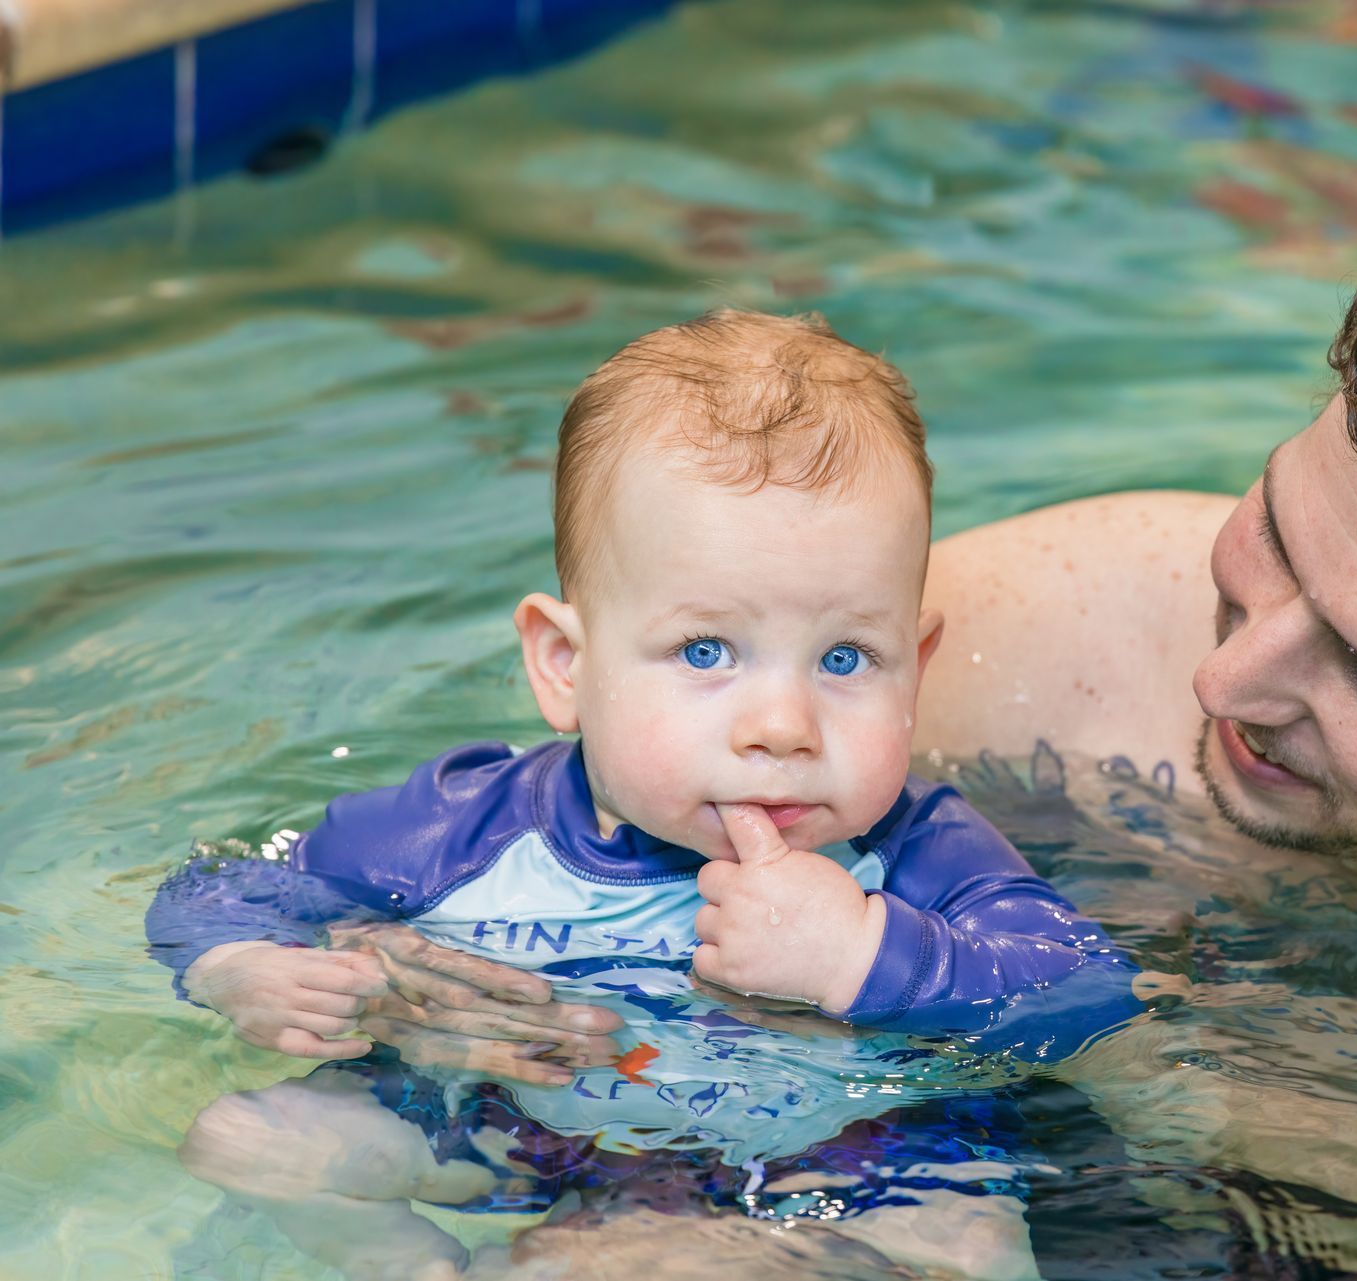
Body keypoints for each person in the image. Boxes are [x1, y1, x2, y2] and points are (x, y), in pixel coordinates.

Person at [310, 191, 1357, 1245]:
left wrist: (1134, 1053)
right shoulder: (1032, 627)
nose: (1227, 676)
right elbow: (580, 821)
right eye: (1274, 533)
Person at [146, 308, 1137, 1279]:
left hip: (853, 1159)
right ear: (566, 666)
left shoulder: (918, 851)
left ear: (914, 671)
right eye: (706, 651)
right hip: (532, 1132)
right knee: (252, 1138)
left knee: (969, 1242)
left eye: (846, 656)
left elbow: (1087, 992)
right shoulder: (464, 828)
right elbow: (224, 887)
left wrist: (865, 954)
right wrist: (242, 967)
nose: (783, 725)